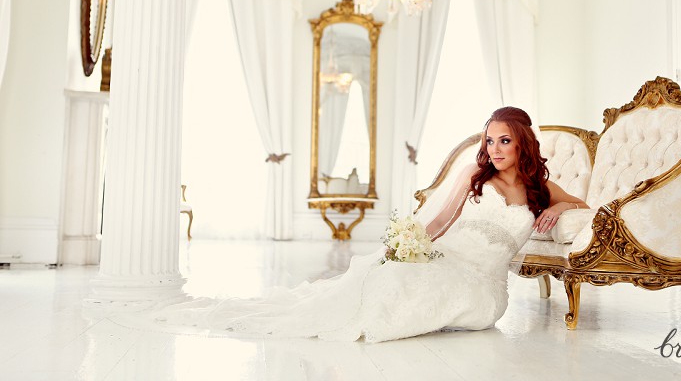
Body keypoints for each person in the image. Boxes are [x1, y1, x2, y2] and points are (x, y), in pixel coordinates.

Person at [144, 106, 589, 343]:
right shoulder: (476, 176)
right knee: (394, 280)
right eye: (490, 140)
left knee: (447, 301)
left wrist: (555, 212)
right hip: (448, 258)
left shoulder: (541, 189)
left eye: (504, 140)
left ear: (523, 143)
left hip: (488, 289)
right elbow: (439, 218)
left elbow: (583, 204)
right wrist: (407, 248)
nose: (494, 148)